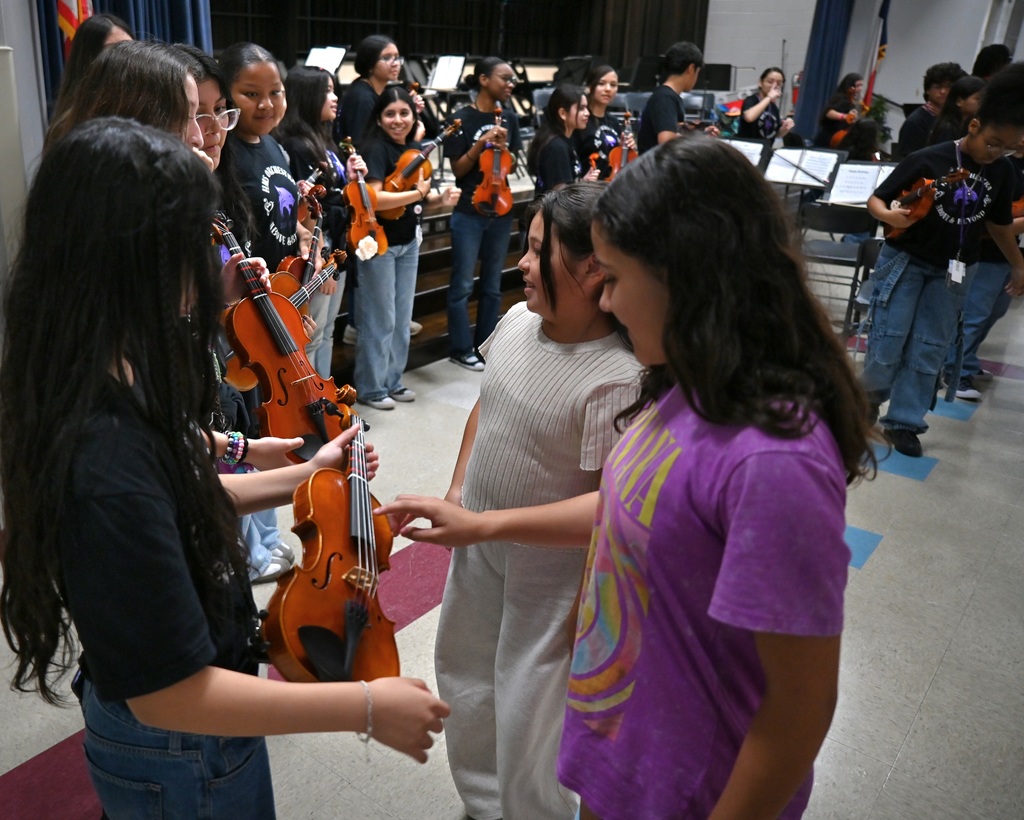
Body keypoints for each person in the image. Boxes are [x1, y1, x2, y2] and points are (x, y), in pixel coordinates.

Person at [380, 137, 875, 818]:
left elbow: (799, 707)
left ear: (682, 277)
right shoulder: (685, 392)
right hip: (626, 756)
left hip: (691, 786)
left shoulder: (772, 460)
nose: (605, 299)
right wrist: (481, 521)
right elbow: (622, 503)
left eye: (613, 276)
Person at [0, 118, 449, 818]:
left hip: (191, 734)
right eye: (188, 246)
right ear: (133, 258)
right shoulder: (105, 456)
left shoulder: (112, 367)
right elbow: (170, 691)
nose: (212, 273)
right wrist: (361, 705)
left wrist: (310, 472)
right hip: (179, 745)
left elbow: (181, 491)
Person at [391, 181, 639, 818]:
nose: (520, 265)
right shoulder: (519, 318)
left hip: (552, 574)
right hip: (484, 545)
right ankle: (482, 804)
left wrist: (484, 524)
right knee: (468, 679)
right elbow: (487, 405)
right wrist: (458, 494)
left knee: (531, 709)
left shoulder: (617, 375)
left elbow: (613, 511)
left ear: (591, 266)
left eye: (536, 252)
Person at [863, 63, 1024, 457]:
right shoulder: (929, 158)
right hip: (906, 261)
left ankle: (904, 422)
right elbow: (877, 199)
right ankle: (864, 403)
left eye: (1008, 148)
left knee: (929, 346)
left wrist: (1019, 264)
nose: (997, 153)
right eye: (992, 142)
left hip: (954, 271)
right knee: (889, 337)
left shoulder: (1001, 172)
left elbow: (1000, 224)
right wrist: (887, 216)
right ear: (974, 126)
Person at [354, 87, 459, 410]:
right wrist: (416, 195)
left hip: (409, 241)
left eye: (404, 113)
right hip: (378, 243)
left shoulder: (414, 149)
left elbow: (418, 193)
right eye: (390, 114)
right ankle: (371, 388)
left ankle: (393, 380)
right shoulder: (375, 148)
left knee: (402, 318)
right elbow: (375, 198)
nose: (398, 120)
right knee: (379, 318)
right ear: (379, 118)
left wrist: (438, 199)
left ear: (414, 116)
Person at [274, 65, 360, 378]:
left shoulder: (324, 138)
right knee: (312, 336)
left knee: (326, 333)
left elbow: (334, 195)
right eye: (327, 91)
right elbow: (306, 210)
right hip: (317, 253)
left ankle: (326, 404)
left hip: (336, 246)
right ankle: (313, 412)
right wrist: (323, 259)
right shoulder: (295, 145)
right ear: (308, 96)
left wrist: (349, 179)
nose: (335, 98)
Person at [443, 56, 523, 371]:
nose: (511, 84)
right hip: (468, 209)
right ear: (484, 80)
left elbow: (511, 167)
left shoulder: (511, 119)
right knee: (462, 284)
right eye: (505, 78)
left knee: (492, 284)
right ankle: (460, 348)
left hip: (500, 209)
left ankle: (486, 346)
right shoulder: (461, 119)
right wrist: (480, 145)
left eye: (513, 79)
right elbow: (459, 168)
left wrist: (505, 151)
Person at [942, 134, 1024, 400]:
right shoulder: (995, 166)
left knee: (995, 312)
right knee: (974, 315)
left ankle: (967, 361)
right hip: (985, 253)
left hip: (1008, 255)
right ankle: (955, 372)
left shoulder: (1012, 168)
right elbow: (991, 221)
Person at [220, 42, 301, 272]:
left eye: (275, 92)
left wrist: (303, 233)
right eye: (252, 94)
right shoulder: (222, 152)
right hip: (249, 297)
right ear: (226, 95)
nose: (266, 104)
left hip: (284, 290)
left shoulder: (271, 143)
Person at [47, 12, 132, 136]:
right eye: (114, 50)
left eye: (130, 49)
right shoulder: (68, 127)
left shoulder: (139, 104)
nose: (126, 58)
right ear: (88, 60)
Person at [527, 83, 600, 197]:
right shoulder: (557, 147)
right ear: (563, 113)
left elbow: (567, 186)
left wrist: (584, 182)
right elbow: (561, 198)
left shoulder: (565, 140)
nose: (587, 113)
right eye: (581, 108)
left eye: (587, 108)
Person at [636, 41, 705, 153]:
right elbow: (666, 140)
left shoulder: (667, 96)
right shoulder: (665, 98)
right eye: (697, 72)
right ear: (691, 69)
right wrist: (699, 141)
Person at [573, 65, 634, 180]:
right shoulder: (582, 120)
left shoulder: (614, 122)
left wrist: (625, 148)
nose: (608, 89)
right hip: (586, 187)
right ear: (590, 87)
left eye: (613, 85)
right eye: (601, 84)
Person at [897, 62, 967, 157]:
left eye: (949, 86)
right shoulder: (916, 121)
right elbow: (909, 158)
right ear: (928, 90)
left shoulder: (956, 117)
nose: (943, 91)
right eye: (937, 87)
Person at [738, 66, 794, 141]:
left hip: (766, 148)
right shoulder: (752, 100)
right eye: (770, 82)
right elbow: (749, 117)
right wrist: (769, 97)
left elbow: (776, 134)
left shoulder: (773, 107)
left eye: (779, 84)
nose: (774, 86)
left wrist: (785, 128)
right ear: (760, 83)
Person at [927, 75, 986, 146]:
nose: (983, 103)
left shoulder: (970, 124)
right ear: (959, 101)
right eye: (978, 99)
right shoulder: (947, 129)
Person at [814, 73, 863, 148]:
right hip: (828, 138)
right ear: (850, 86)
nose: (860, 88)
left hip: (836, 137)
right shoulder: (842, 98)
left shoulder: (849, 99)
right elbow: (829, 113)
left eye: (861, 85)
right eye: (858, 86)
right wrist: (845, 116)